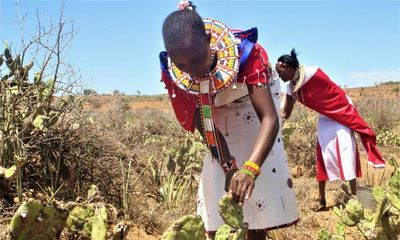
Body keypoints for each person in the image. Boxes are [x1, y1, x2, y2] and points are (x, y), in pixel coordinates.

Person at [160, 1, 299, 239]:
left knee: (256, 197)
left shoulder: (244, 51)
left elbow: (268, 118)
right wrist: (229, 167)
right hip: (212, 113)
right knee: (219, 190)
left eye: (196, 60)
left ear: (206, 39)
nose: (192, 71)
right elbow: (205, 125)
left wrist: (250, 169)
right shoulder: (175, 72)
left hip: (252, 110)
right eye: (181, 65)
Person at [277, 49, 386, 211]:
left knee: (346, 151)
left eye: (280, 72)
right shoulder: (291, 88)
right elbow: (286, 113)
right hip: (326, 117)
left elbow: (333, 93)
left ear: (289, 67)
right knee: (323, 153)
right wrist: (282, 103)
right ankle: (322, 200)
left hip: (341, 110)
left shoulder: (313, 73)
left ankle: (354, 198)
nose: (279, 76)